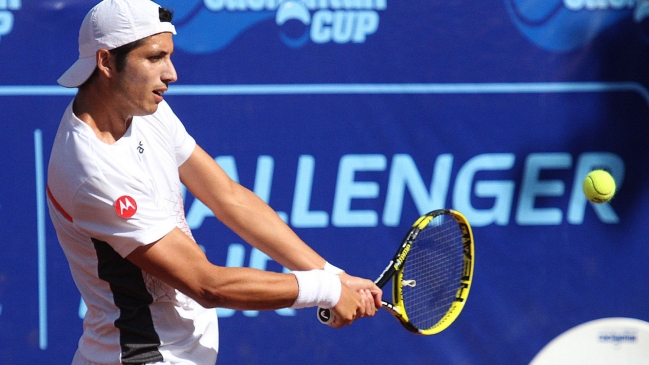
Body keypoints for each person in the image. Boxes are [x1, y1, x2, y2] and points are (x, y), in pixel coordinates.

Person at [47, 0, 382, 364]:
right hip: (143, 357)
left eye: (169, 57)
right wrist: (324, 290)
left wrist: (331, 274)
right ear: (106, 61)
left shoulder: (145, 111)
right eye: (154, 58)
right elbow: (208, 284)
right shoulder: (93, 171)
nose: (171, 73)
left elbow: (229, 198)